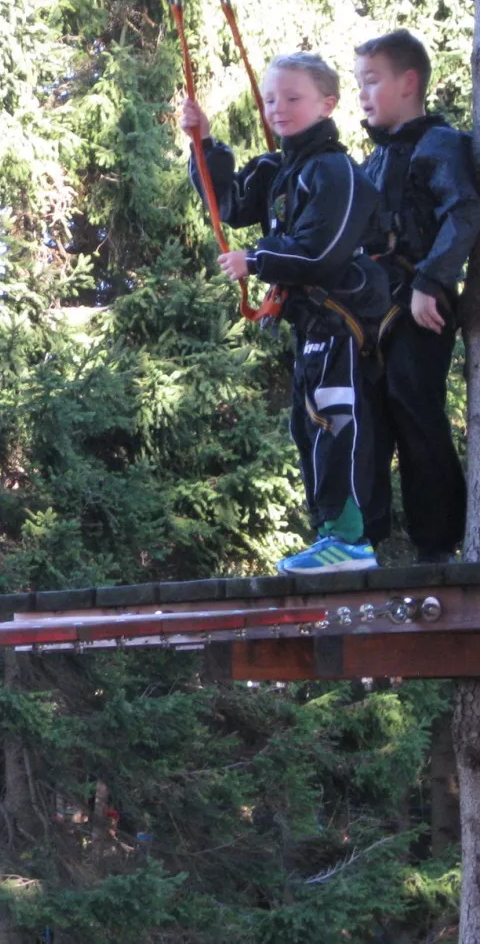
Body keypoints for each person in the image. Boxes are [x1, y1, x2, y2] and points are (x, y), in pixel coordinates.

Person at [182, 53, 389, 574]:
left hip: (340, 316)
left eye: (292, 99)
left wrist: (255, 260)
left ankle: (351, 538)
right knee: (309, 424)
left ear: (327, 105)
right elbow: (227, 203)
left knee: (334, 417)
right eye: (272, 98)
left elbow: (323, 252)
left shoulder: (335, 171)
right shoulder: (281, 168)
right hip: (312, 320)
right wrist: (204, 144)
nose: (278, 109)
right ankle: (333, 532)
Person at [354, 30, 480, 563]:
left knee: (414, 406)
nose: (363, 94)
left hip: (420, 302)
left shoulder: (439, 144)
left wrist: (432, 281)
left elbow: (463, 210)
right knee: (372, 415)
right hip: (372, 309)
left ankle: (438, 541)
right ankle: (366, 537)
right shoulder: (374, 161)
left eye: (372, 81)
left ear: (409, 83)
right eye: (359, 83)